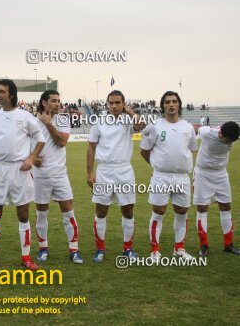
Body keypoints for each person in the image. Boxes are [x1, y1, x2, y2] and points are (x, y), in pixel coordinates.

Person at [0, 79, 45, 271]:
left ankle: (26, 257)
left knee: (23, 213)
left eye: (2, 91)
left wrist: (32, 158)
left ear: (11, 94)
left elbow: (40, 140)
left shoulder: (25, 116)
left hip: (20, 169)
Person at [87, 90, 146, 262]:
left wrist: (129, 111)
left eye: (117, 102)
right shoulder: (99, 122)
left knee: (128, 209)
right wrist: (90, 172)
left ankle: (128, 249)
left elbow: (141, 125)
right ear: (106, 104)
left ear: (123, 103)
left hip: (124, 170)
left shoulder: (129, 120)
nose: (114, 106)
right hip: (104, 170)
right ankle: (100, 249)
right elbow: (91, 147)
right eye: (111, 103)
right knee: (101, 210)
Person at [140, 91, 198, 260]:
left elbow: (191, 149)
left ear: (179, 105)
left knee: (182, 211)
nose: (171, 104)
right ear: (162, 106)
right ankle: (155, 250)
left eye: (174, 101)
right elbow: (144, 151)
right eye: (167, 102)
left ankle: (179, 249)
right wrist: (157, 165)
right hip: (161, 176)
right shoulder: (154, 127)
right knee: (158, 211)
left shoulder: (188, 127)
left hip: (182, 177)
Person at [33, 90, 83, 264]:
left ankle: (74, 250)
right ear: (44, 103)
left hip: (60, 174)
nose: (57, 104)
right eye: (53, 101)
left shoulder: (62, 119)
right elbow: (23, 145)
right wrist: (32, 158)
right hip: (40, 175)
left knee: (68, 212)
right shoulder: (32, 122)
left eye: (58, 101)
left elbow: (62, 142)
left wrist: (48, 124)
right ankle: (43, 249)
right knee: (41, 214)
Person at [193, 121, 240, 256]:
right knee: (202, 208)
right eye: (226, 140)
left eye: (230, 141)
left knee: (226, 207)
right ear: (220, 133)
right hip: (203, 173)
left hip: (221, 174)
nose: (228, 143)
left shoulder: (231, 136)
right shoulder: (207, 132)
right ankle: (204, 245)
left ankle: (229, 244)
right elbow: (197, 129)